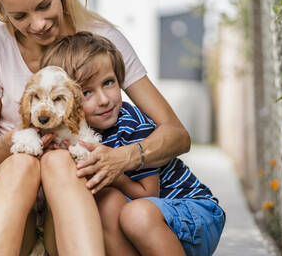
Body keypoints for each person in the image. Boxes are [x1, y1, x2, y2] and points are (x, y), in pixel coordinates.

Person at [0, 0, 191, 256]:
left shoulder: (101, 41)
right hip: (4, 202)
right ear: (2, 12)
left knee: (61, 160)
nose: (38, 24)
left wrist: (120, 158)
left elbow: (177, 134)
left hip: (71, 207)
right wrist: (19, 140)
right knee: (23, 165)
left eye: (44, 6)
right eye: (20, 16)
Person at [41, 32, 225, 255]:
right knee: (107, 204)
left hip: (193, 214)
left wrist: (115, 173)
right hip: (144, 224)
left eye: (108, 83)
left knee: (134, 214)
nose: (104, 99)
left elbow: (149, 194)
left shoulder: (130, 123)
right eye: (86, 92)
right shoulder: (77, 135)